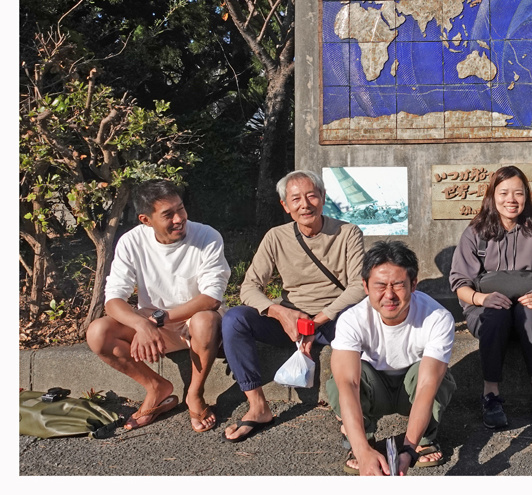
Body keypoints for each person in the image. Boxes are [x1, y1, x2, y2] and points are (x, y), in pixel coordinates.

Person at [221, 169, 366, 442]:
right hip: (290, 323)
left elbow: (359, 286)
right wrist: (280, 312)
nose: (305, 204)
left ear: (323, 198)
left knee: (359, 326)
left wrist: (317, 321)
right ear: (286, 206)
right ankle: (257, 405)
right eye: (296, 199)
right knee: (234, 320)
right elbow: (249, 287)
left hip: (334, 319)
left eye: (312, 196)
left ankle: (348, 409)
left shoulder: (347, 233)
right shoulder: (276, 237)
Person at [86, 179, 231, 432]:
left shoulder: (207, 236)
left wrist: (160, 319)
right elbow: (113, 299)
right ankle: (156, 387)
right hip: (155, 325)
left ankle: (194, 394)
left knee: (204, 319)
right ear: (146, 220)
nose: (179, 218)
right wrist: (141, 324)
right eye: (168, 214)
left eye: (181, 208)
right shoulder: (131, 242)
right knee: (98, 333)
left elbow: (211, 297)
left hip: (195, 324)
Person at [449, 165, 532, 429]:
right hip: (485, 311)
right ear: (492, 196)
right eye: (504, 193)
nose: (511, 200)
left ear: (527, 196)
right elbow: (460, 284)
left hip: (527, 310)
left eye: (518, 193)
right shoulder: (475, 234)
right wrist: (483, 299)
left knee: (529, 316)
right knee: (497, 315)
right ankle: (490, 394)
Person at [329, 240, 457, 476]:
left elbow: (428, 385)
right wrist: (361, 450)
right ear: (365, 287)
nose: (389, 295)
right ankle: (362, 444)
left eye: (398, 285)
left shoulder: (438, 317)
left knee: (437, 377)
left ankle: (423, 439)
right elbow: (349, 384)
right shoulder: (351, 319)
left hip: (412, 388)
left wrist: (407, 450)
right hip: (374, 387)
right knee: (339, 382)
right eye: (380, 286)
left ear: (413, 284)